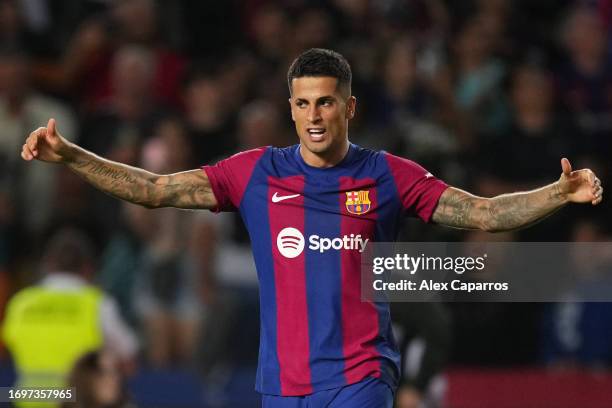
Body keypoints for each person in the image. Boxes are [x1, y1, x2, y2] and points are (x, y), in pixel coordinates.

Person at [20, 49, 603, 408]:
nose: (314, 116)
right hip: (281, 383)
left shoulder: (387, 175)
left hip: (360, 376)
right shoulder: (253, 174)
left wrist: (557, 194)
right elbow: (153, 190)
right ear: (290, 107)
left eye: (326, 103)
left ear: (348, 108)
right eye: (302, 104)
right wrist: (71, 155)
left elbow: (481, 213)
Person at [2, 228, 138, 407]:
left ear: (48, 265)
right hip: (77, 400)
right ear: (88, 268)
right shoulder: (97, 303)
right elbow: (129, 355)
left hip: (28, 398)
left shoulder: (21, 302)